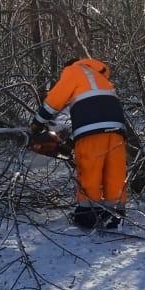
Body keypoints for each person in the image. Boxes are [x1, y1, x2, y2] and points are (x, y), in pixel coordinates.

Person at [31, 56, 127, 229]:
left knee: (90, 170)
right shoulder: (99, 77)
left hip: (91, 131)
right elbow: (97, 107)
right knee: (115, 170)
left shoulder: (73, 71)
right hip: (117, 129)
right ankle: (115, 214)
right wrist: (71, 141)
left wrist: (37, 123)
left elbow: (54, 100)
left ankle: (87, 215)